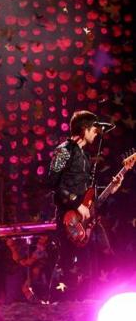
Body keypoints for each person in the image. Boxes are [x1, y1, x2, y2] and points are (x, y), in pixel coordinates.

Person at [47, 110, 123, 299]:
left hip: (83, 220)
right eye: (93, 129)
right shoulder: (64, 150)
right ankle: (56, 304)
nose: (96, 133)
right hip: (68, 218)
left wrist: (111, 188)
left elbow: (86, 191)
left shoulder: (85, 156)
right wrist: (74, 202)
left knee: (87, 266)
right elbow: (51, 182)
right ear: (83, 129)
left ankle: (85, 304)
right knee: (66, 262)